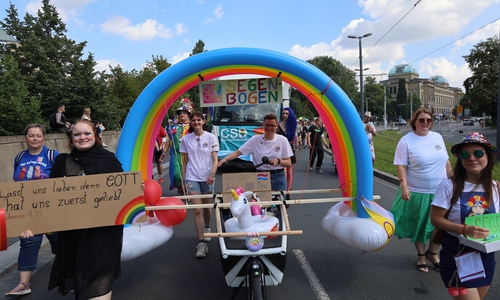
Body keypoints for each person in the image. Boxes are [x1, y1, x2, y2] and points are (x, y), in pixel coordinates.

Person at [47, 119, 124, 299]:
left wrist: (138, 190)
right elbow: (50, 199)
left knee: (100, 278)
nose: (82, 137)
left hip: (103, 233)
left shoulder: (109, 160)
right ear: (71, 138)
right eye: (77, 134)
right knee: (81, 278)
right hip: (74, 234)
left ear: (95, 136)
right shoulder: (62, 162)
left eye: (87, 133)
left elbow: (122, 193)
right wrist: (31, 225)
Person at [431, 132, 498, 299]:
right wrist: (464, 229)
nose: (472, 158)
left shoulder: (496, 187)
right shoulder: (449, 186)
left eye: (478, 153)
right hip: (458, 253)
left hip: (486, 255)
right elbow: (435, 218)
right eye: (465, 154)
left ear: (488, 157)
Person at [390, 108, 452, 273]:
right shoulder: (406, 140)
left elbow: (446, 161)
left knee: (440, 226)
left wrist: (453, 180)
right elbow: (401, 166)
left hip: (441, 191)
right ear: (414, 122)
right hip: (418, 191)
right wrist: (404, 186)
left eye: (428, 120)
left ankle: (432, 253)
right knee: (420, 225)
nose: (425, 123)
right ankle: (421, 256)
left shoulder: (437, 137)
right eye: (422, 120)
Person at [5, 124, 59, 297]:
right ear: (25, 138)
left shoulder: (52, 156)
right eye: (31, 135)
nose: (35, 139)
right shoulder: (19, 157)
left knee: (59, 241)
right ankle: (23, 283)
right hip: (28, 210)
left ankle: (69, 275)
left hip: (51, 210)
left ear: (44, 137)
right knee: (28, 242)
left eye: (38, 135)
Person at [218, 113, 293, 191]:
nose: (269, 128)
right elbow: (238, 152)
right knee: (261, 202)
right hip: (261, 176)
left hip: (278, 176)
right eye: (267, 125)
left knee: (280, 201)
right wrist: (224, 160)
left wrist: (278, 161)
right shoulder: (255, 139)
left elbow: (288, 162)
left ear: (276, 126)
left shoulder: (282, 140)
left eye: (272, 126)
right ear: (263, 125)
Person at [180, 112, 219, 258]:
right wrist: (184, 180)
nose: (196, 122)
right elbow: (184, 161)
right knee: (197, 210)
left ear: (203, 121)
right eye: (193, 120)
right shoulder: (185, 139)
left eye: (198, 120)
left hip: (207, 177)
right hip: (192, 177)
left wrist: (212, 174)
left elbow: (215, 160)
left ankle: (207, 227)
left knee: (207, 207)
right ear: (190, 123)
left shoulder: (211, 137)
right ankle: (201, 242)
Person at [169, 98, 193, 196]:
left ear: (188, 115)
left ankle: (188, 190)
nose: (182, 115)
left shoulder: (192, 126)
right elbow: (169, 138)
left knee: (189, 172)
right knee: (176, 173)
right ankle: (180, 188)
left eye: (184, 113)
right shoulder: (175, 126)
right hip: (176, 153)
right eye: (181, 113)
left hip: (188, 153)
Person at [277, 107, 297, 200]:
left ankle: (288, 191)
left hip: (290, 150)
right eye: (283, 113)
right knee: (283, 172)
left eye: (287, 113)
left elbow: (296, 138)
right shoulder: (278, 125)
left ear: (290, 115)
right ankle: (283, 191)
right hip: (280, 150)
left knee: (289, 172)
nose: (284, 115)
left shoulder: (293, 126)